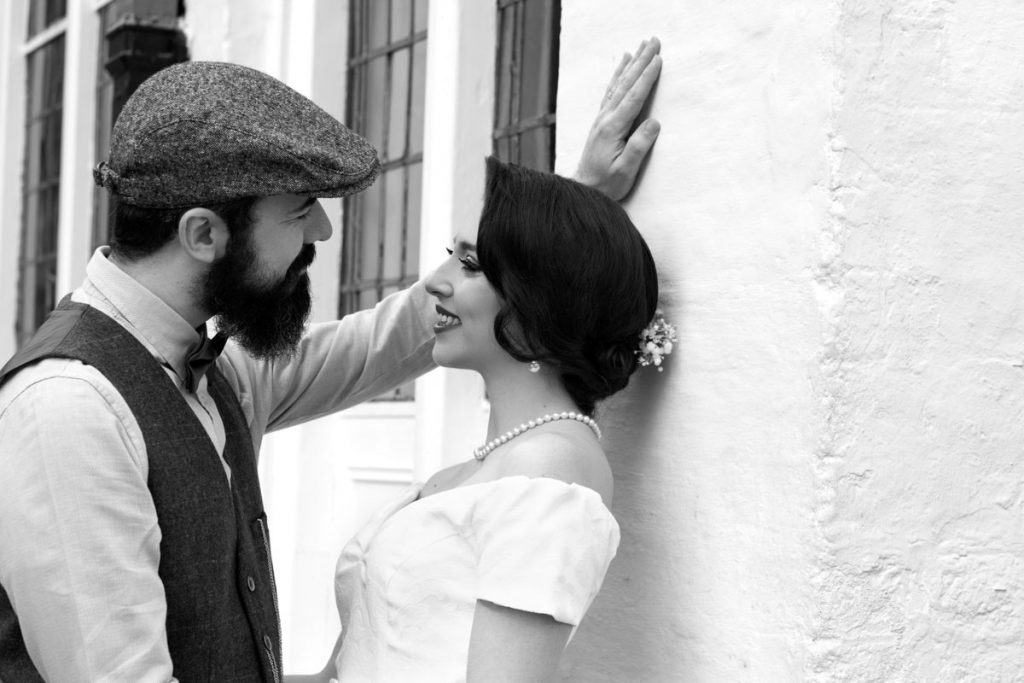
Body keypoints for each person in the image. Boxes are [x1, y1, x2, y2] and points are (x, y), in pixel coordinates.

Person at [0, 35, 662, 683]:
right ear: (204, 233)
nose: (321, 231)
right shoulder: (68, 407)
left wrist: (557, 233)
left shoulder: (218, 372)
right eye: (300, 210)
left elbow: (382, 339)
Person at [307, 148, 668, 681]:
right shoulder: (495, 465)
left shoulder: (551, 475)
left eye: (470, 264)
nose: (434, 280)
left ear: (541, 300)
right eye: (452, 254)